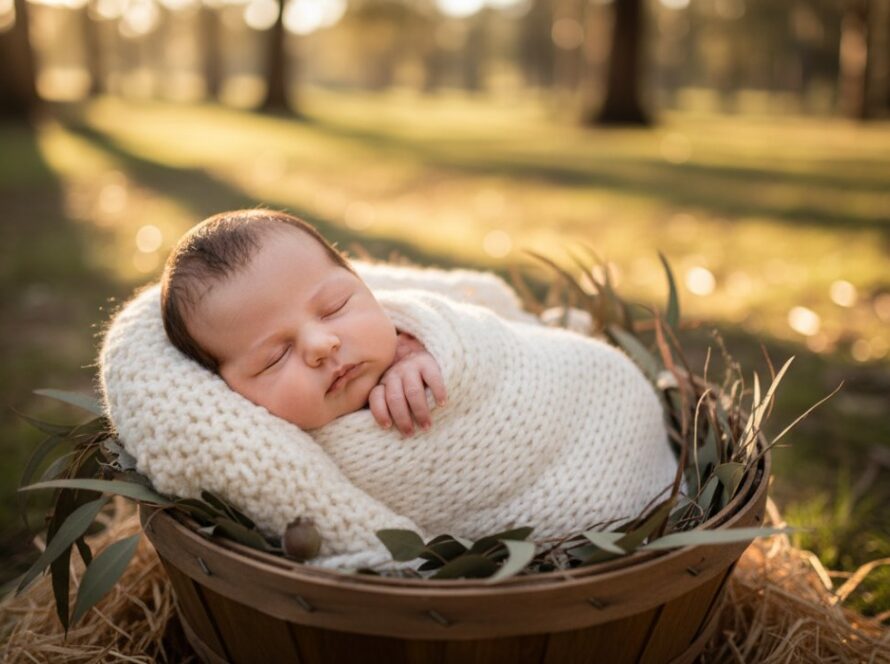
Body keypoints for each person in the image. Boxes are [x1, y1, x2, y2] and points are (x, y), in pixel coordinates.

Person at [160, 209, 447, 437]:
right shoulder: (267, 455)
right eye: (275, 358)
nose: (321, 345)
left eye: (335, 307)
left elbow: (477, 342)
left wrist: (424, 355)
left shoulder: (419, 341)